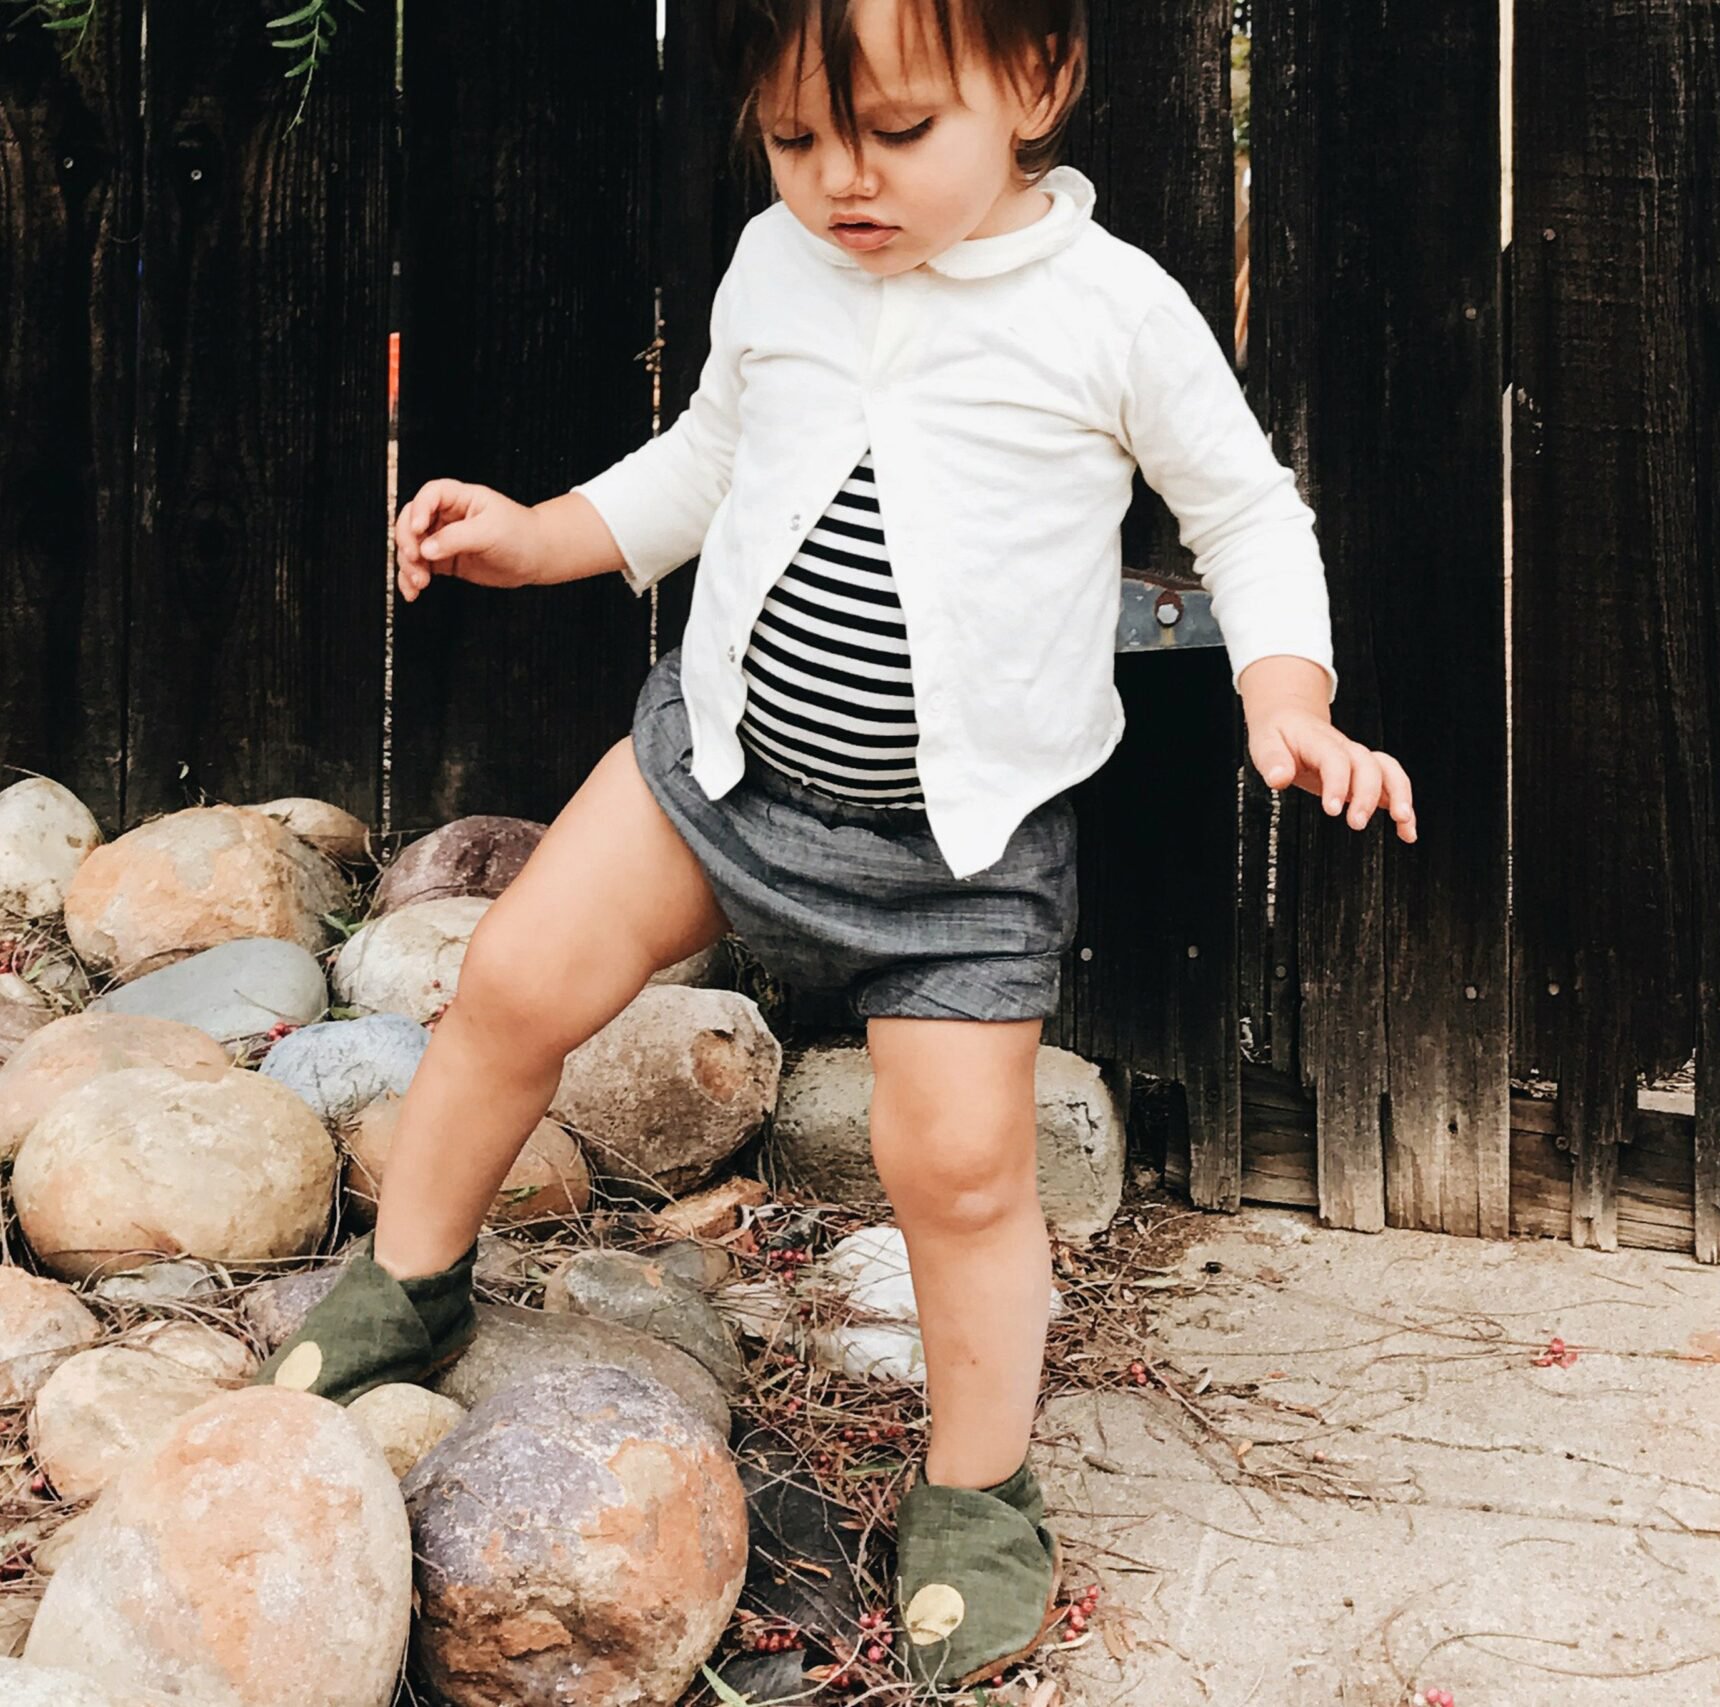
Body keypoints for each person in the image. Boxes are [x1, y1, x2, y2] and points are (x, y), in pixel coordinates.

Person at [253, 0, 1417, 1686]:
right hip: (718, 771)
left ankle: (980, 1489)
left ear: (1035, 82)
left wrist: (1286, 693)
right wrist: (543, 535)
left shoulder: (1110, 311)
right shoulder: (778, 265)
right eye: (798, 140)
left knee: (961, 1172)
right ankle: (412, 1276)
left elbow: (1245, 512)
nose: (842, 183)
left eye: (898, 135)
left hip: (960, 863)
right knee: (510, 982)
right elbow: (706, 463)